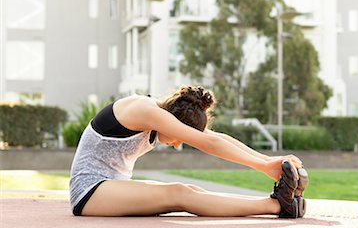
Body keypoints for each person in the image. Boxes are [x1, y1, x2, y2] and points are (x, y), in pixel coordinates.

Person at [69, 85, 306, 218]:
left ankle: (279, 202)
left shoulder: (164, 113)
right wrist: (264, 167)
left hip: (112, 186)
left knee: (193, 190)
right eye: (179, 136)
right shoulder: (144, 110)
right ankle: (276, 206)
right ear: (174, 121)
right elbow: (207, 144)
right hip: (89, 191)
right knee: (180, 193)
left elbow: (217, 138)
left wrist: (268, 160)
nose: (177, 143)